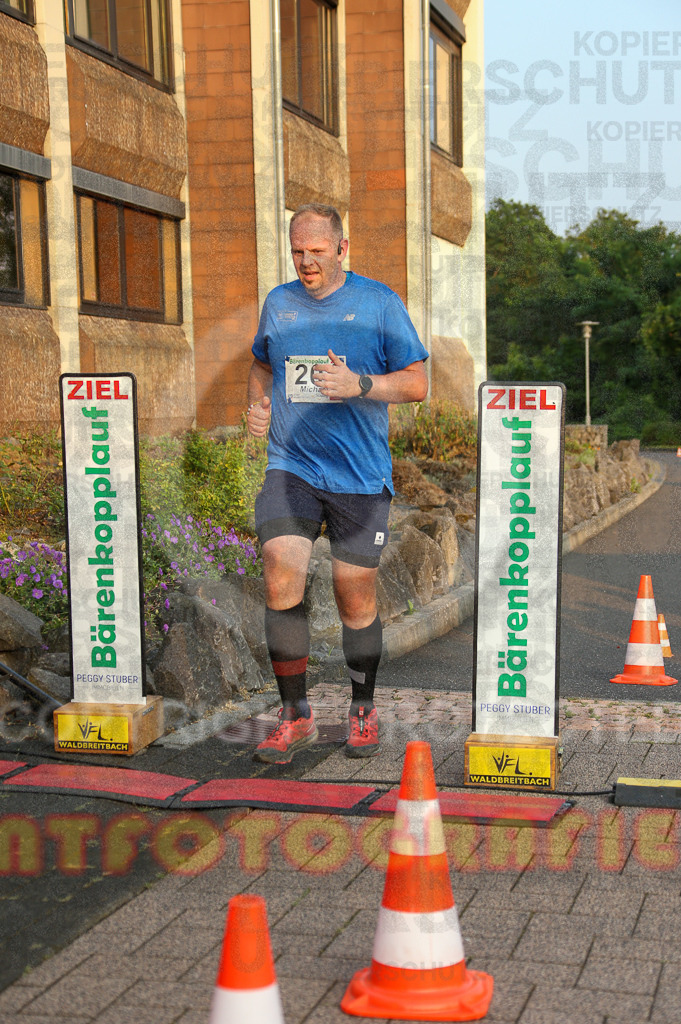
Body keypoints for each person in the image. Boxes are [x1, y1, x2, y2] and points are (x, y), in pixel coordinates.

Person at [247, 203, 428, 764]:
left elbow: (418, 383)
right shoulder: (279, 303)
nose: (305, 262)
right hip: (292, 465)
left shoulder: (378, 304)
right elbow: (261, 364)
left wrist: (360, 383)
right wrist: (256, 404)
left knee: (355, 597)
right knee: (281, 572)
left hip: (359, 475)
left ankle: (362, 705)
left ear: (342, 249)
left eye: (317, 252)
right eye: (297, 252)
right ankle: (295, 714)